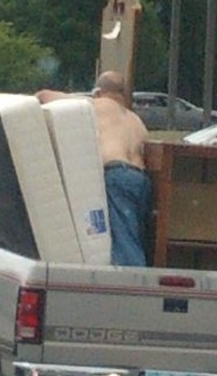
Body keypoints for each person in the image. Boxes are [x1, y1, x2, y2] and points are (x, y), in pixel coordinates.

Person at [36, 70, 152, 266]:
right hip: (140, 180)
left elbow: (43, 96)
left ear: (98, 91)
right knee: (134, 235)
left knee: (124, 243)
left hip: (116, 176)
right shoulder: (135, 120)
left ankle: (129, 289)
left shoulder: (96, 106)